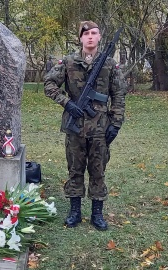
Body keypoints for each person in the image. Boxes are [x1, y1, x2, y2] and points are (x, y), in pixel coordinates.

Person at [44, 21, 126, 231]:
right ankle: (75, 212)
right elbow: (49, 84)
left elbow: (118, 95)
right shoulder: (69, 62)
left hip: (100, 128)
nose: (90, 37)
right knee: (75, 169)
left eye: (94, 33)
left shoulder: (109, 64)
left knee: (98, 171)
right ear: (80, 38)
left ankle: (97, 214)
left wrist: (115, 123)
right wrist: (67, 103)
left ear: (99, 37)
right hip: (75, 127)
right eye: (86, 33)